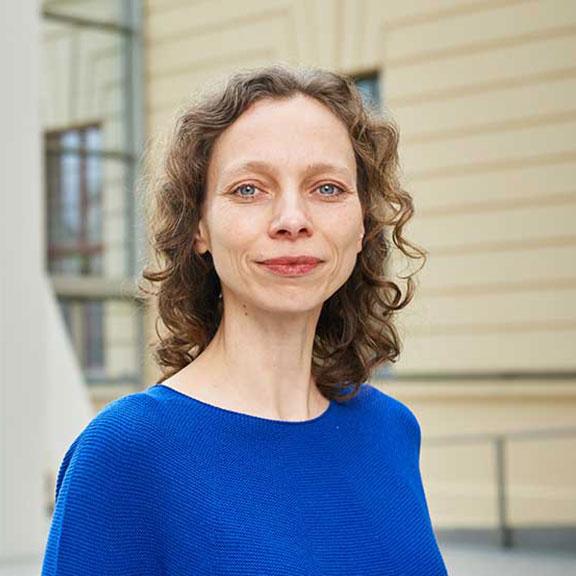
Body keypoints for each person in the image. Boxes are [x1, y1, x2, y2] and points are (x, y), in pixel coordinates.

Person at [41, 64, 449, 575]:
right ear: (198, 228)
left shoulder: (391, 431)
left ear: (363, 223)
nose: (292, 220)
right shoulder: (127, 454)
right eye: (249, 189)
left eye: (327, 188)